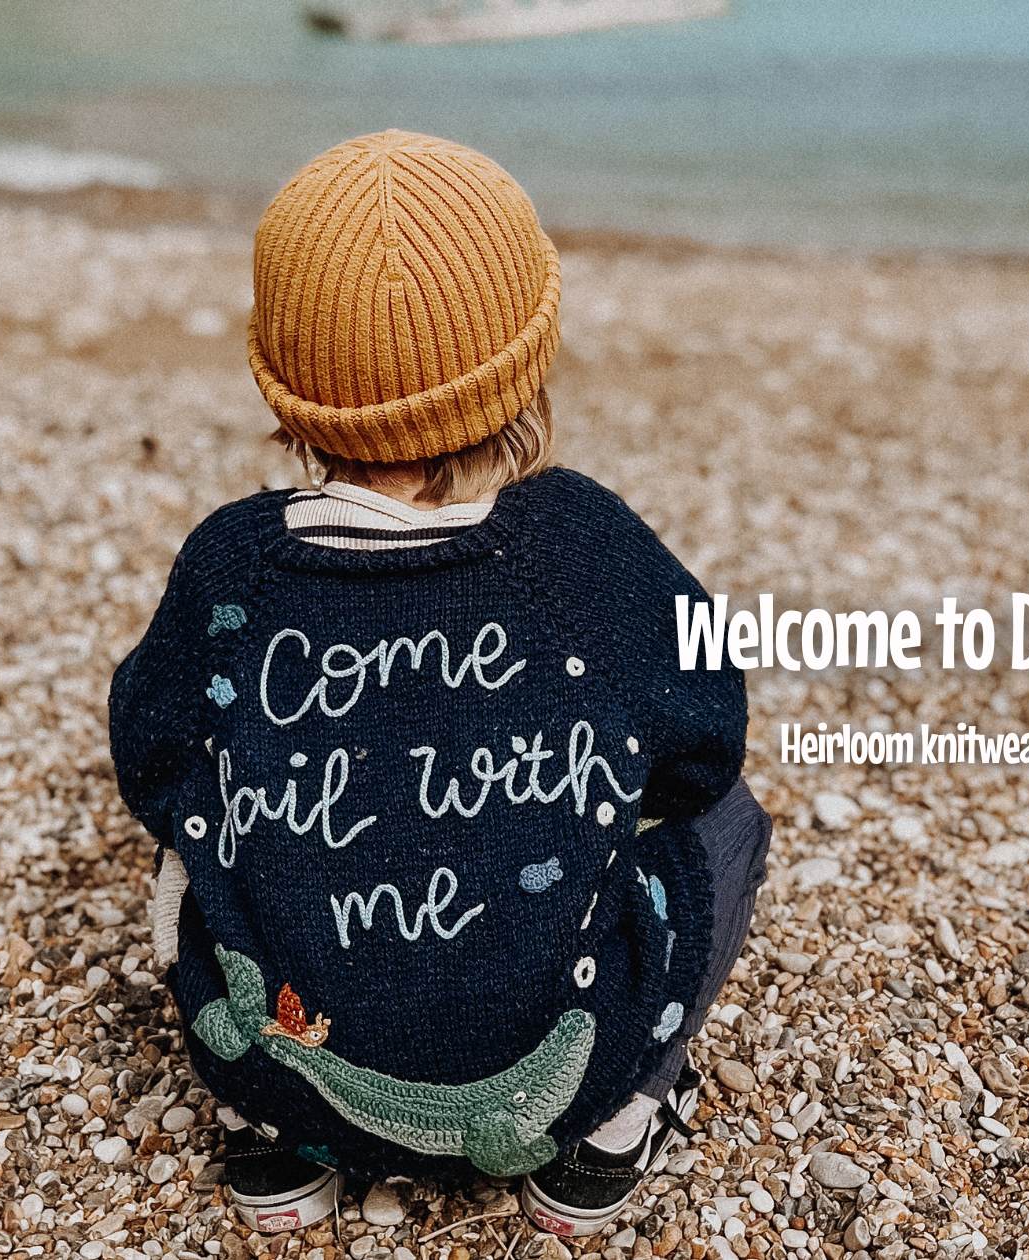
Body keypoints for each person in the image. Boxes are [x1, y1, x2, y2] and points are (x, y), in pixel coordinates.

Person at [107, 130, 769, 1239]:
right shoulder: (586, 549)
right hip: (561, 1077)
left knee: (196, 819)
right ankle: (616, 1131)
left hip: (287, 1073)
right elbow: (707, 743)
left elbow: (150, 762)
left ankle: (276, 1146)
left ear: (284, 378)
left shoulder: (235, 563)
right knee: (727, 823)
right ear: (526, 360)